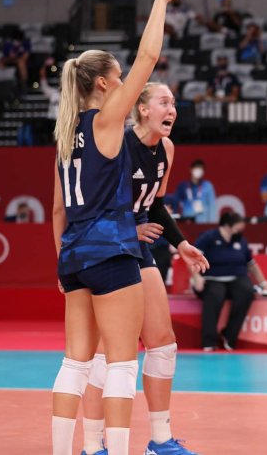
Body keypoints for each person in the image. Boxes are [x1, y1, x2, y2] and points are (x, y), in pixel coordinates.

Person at [50, 0, 183, 455]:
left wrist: (62, 262)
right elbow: (149, 58)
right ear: (105, 84)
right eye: (119, 76)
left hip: (74, 256)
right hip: (112, 249)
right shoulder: (106, 122)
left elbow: (58, 210)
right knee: (123, 362)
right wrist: (161, 3)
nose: (126, 78)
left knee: (76, 363)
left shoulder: (66, 136)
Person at [80, 82, 209, 455]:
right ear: (141, 108)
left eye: (173, 104)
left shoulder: (166, 149)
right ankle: (92, 444)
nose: (172, 109)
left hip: (138, 247)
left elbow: (155, 206)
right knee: (107, 353)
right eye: (163, 102)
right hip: (105, 245)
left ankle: (160, 439)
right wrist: (130, 229)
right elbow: (88, 207)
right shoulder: (115, 146)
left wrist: (181, 243)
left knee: (163, 343)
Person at [191, 211, 267, 351]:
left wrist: (264, 283)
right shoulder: (208, 237)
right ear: (228, 225)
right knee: (215, 295)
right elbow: (193, 258)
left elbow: (252, 265)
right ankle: (209, 341)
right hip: (212, 278)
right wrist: (197, 277)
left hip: (236, 277)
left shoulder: (240, 240)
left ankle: (229, 335)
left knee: (247, 292)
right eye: (238, 227)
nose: (240, 230)